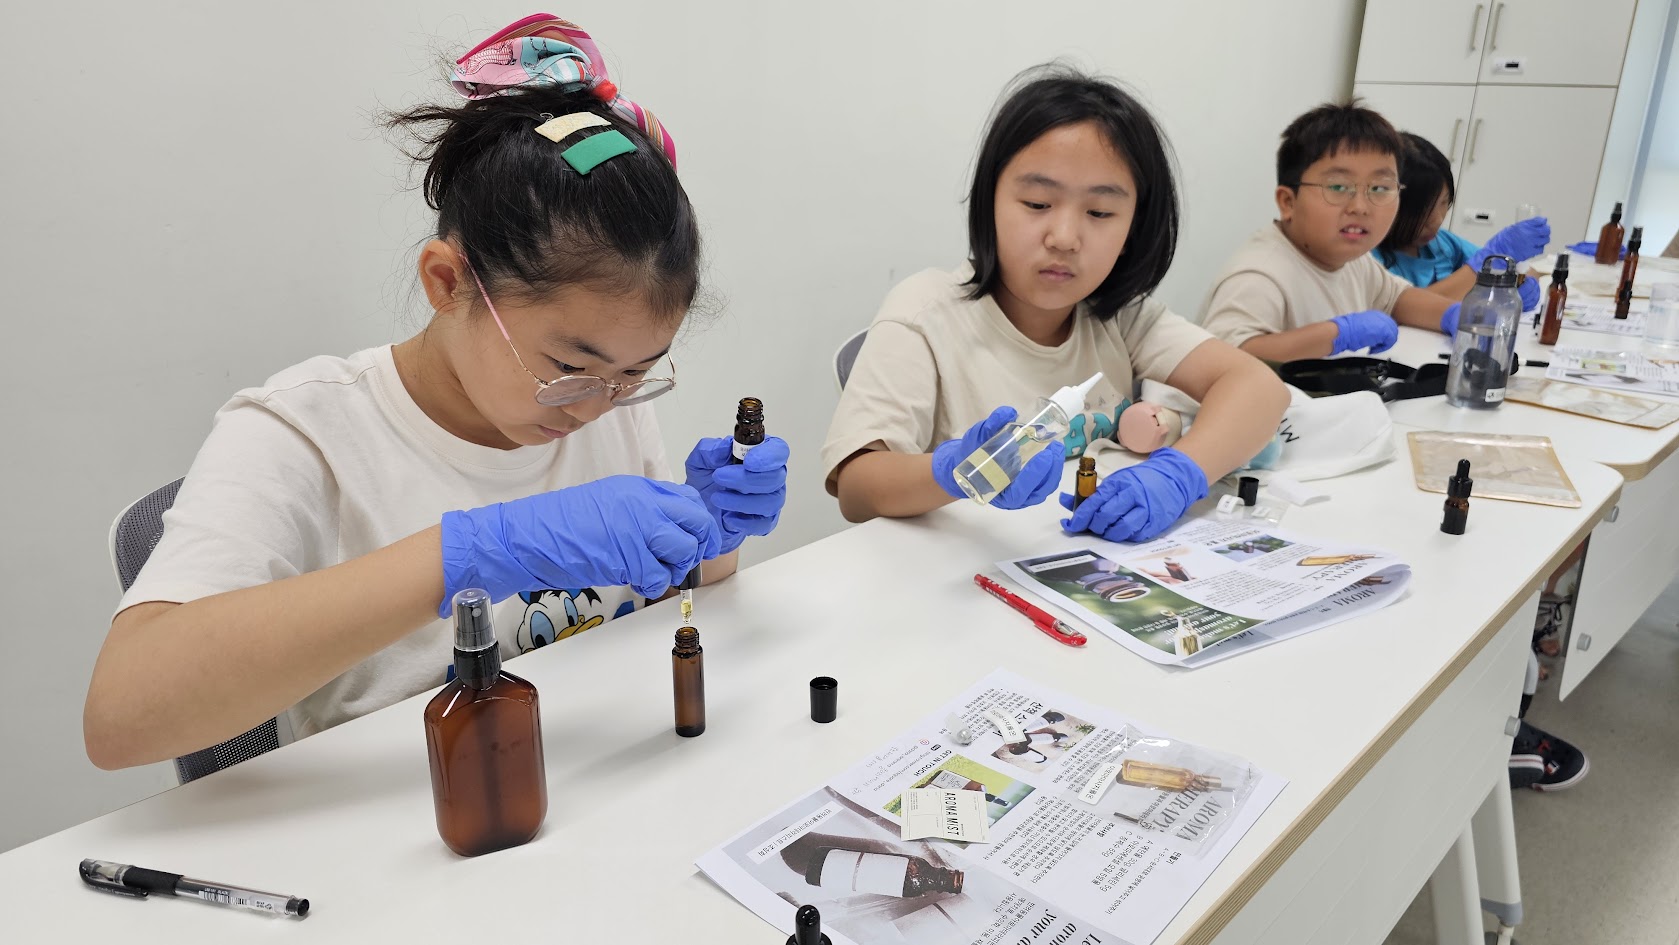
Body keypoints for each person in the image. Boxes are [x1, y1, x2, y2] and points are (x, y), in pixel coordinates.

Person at [84, 14, 789, 770]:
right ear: (447, 283)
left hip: (598, 776)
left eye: (637, 373)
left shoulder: (601, 401)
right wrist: (469, 554)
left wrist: (710, 536)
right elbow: (121, 716)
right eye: (568, 367)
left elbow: (656, 611)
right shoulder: (301, 433)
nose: (594, 407)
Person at [821, 66, 1288, 544]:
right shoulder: (925, 313)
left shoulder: (1120, 315)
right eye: (1037, 203)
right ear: (990, 201)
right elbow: (857, 489)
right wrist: (954, 470)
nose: (1064, 238)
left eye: (1099, 212)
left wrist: (1180, 474)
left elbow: (1259, 389)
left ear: (1133, 228)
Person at [1200, 101, 1462, 363]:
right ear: (1288, 202)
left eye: (1380, 188)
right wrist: (1336, 335)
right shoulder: (1259, 276)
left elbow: (1398, 299)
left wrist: (1456, 316)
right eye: (1338, 187)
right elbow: (1225, 357)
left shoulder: (1356, 260)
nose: (1360, 207)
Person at [1374, 132, 1547, 309]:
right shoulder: (1371, 258)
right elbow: (1408, 308)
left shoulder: (1442, 244)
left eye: (1444, 203)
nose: (1437, 220)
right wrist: (1486, 265)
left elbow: (1527, 271)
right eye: (1424, 210)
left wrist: (1519, 282)